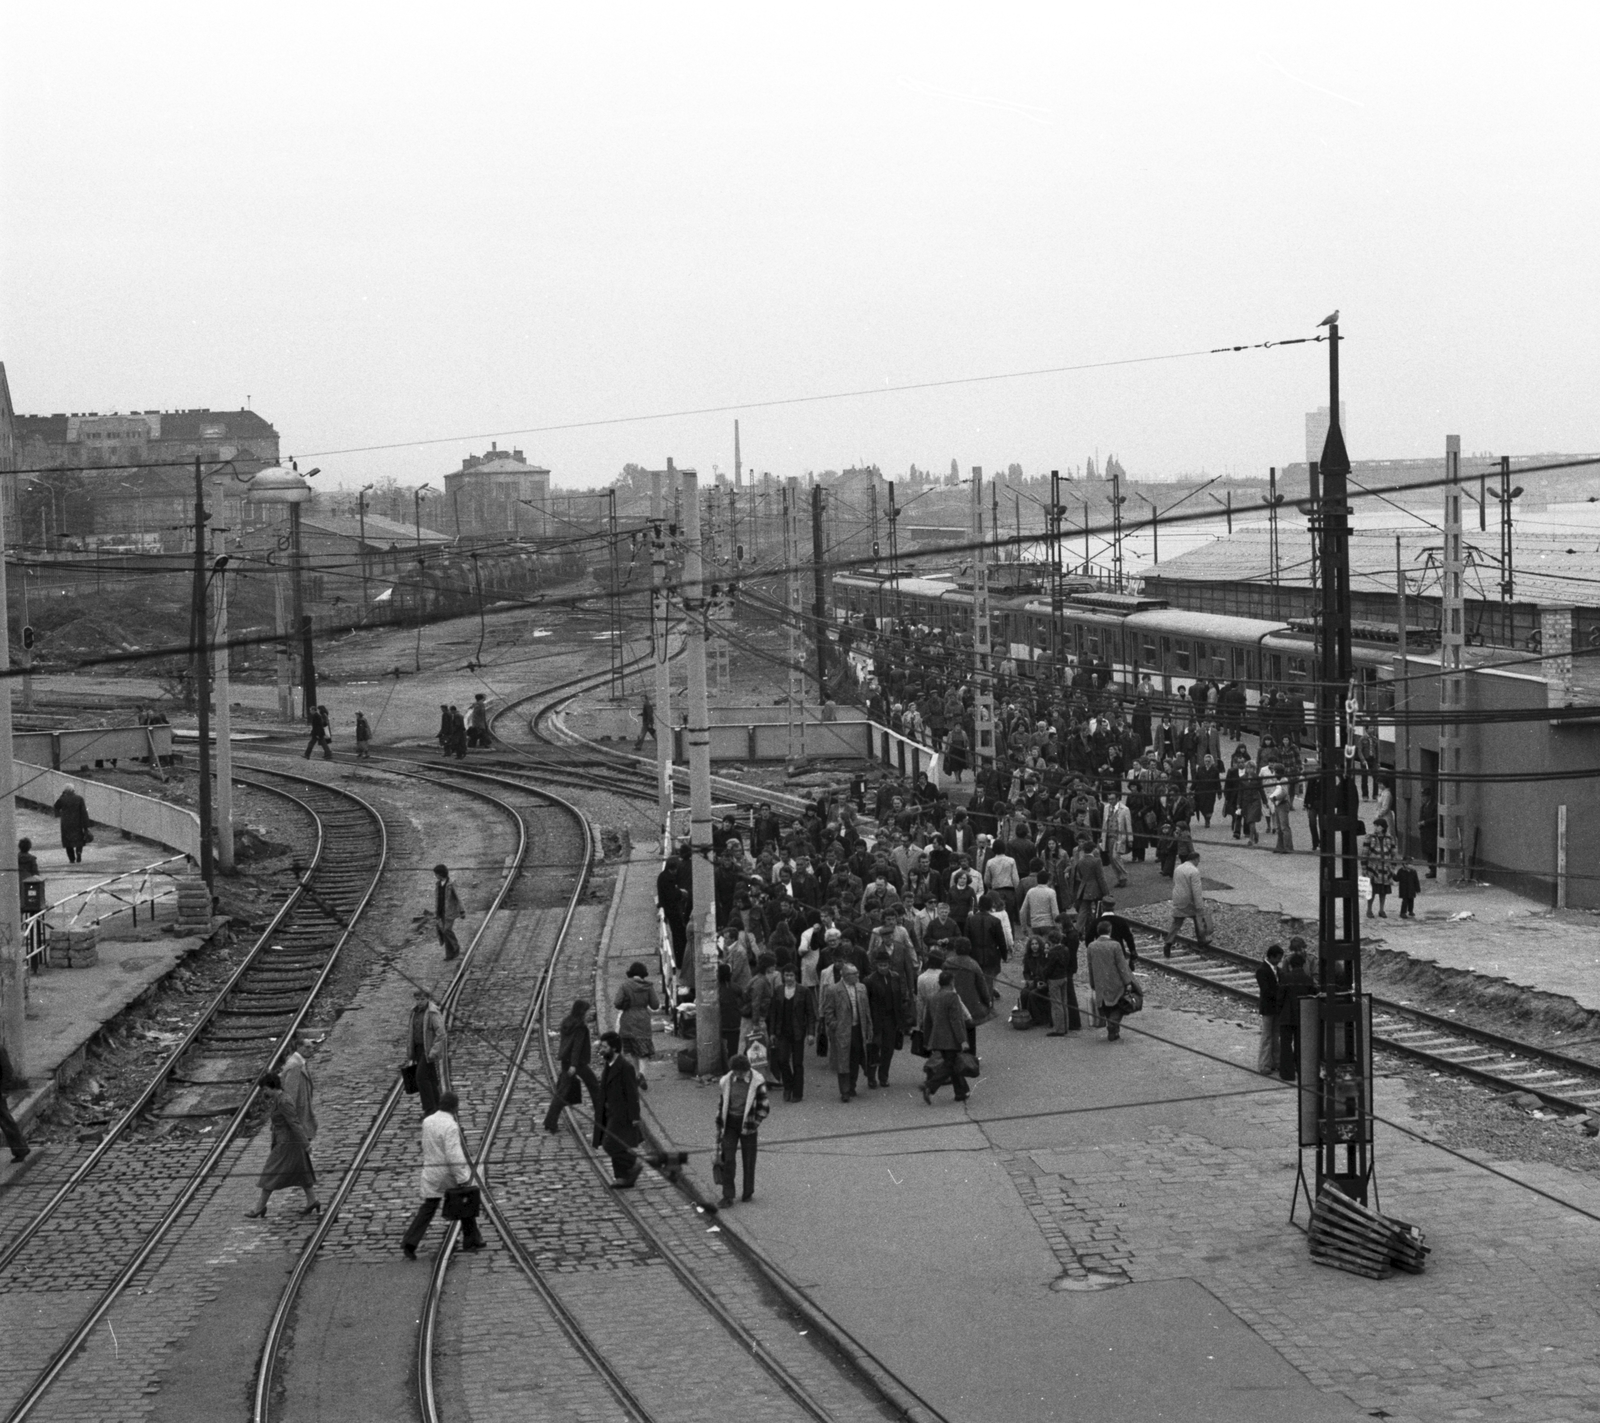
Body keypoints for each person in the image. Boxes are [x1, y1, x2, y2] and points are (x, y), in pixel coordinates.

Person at [401, 1090, 485, 1255]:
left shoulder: (428, 1121)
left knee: (428, 1207)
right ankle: (471, 1239)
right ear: (455, 1108)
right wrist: (462, 1176)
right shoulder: (451, 1126)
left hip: (430, 1171)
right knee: (466, 1201)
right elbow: (453, 1153)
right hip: (447, 1173)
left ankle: (410, 1241)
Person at [245, 1072, 319, 1218]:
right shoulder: (279, 1099)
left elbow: (294, 1123)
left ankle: (260, 1207)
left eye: (265, 1089)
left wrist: (305, 1144)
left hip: (287, 1144)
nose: (264, 1092)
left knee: (270, 1172)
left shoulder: (284, 1101)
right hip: (287, 1141)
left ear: (272, 1087)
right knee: (301, 1172)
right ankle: (313, 1200)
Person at [715, 1052, 770, 1206]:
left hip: (748, 1125)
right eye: (735, 1072)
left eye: (740, 1072)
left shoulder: (757, 1082)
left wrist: (754, 1123)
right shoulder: (727, 1081)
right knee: (728, 1159)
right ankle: (728, 1196)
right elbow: (722, 1103)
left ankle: (747, 1192)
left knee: (749, 1160)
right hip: (730, 1124)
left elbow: (764, 1107)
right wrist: (719, 1124)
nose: (737, 1075)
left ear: (746, 1070)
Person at [594, 1031, 643, 1187]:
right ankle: (622, 1177)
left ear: (614, 1048)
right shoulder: (609, 1064)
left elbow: (632, 1093)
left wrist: (635, 1116)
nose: (600, 1050)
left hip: (622, 1114)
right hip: (610, 1112)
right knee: (618, 1144)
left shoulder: (625, 1067)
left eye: (604, 1047)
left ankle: (632, 1163)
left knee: (610, 1144)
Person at [544, 999, 599, 1132]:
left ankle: (550, 1121)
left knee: (562, 1092)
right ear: (582, 1012)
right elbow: (577, 1046)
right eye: (587, 1011)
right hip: (577, 1063)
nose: (588, 1013)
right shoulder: (580, 1027)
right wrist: (574, 1065)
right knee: (594, 1086)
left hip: (566, 1061)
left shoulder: (567, 1022)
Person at [821, 961, 873, 1101]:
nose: (857, 976)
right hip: (843, 1031)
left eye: (857, 973)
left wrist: (868, 1028)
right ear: (844, 975)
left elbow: (866, 1010)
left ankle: (852, 1086)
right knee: (844, 1060)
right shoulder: (833, 990)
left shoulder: (861, 988)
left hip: (858, 1029)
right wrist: (834, 1025)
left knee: (855, 1059)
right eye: (853, 974)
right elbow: (828, 1011)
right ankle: (844, 1091)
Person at [919, 969, 971, 1104]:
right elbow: (956, 1020)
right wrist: (963, 1040)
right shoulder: (952, 997)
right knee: (950, 1064)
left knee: (952, 1064)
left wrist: (927, 1040)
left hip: (937, 1038)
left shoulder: (932, 998)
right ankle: (929, 1086)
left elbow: (927, 1021)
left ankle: (961, 1092)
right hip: (951, 1038)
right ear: (951, 982)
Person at [864, 949, 911, 1089]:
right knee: (874, 1049)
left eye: (885, 965)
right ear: (876, 965)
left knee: (888, 1050)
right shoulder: (869, 980)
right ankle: (871, 1078)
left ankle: (883, 1077)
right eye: (880, 965)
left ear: (889, 964)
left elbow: (900, 997)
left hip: (891, 1019)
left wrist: (901, 1020)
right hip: (876, 1020)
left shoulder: (895, 977)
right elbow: (867, 1002)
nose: (883, 968)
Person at [769, 967, 816, 1102]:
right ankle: (788, 1086)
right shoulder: (778, 991)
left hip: (798, 1032)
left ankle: (797, 1093)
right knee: (782, 1060)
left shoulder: (803, 991)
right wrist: (772, 1032)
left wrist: (811, 1033)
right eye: (786, 975)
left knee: (797, 1063)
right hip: (782, 1032)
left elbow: (810, 1014)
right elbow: (773, 1013)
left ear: (796, 976)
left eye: (791, 975)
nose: (789, 978)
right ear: (783, 976)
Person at [1087, 920, 1135, 1042]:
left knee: (1106, 1005)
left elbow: (1090, 966)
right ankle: (1112, 1026)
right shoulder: (1115, 945)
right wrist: (1128, 982)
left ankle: (1114, 1031)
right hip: (1115, 981)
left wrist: (1092, 982)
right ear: (1110, 931)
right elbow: (1122, 966)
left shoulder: (1091, 946)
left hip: (1100, 982)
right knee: (1118, 1006)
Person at [1276, 948, 1315, 1082]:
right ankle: (1301, 1071)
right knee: (1300, 1044)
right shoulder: (1308, 980)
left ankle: (1287, 1074)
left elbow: (1280, 998)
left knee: (1286, 1045)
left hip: (1286, 1016)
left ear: (1291, 965)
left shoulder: (1285, 978)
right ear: (1303, 964)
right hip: (1302, 1017)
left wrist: (1279, 1011)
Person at [408, 986, 448, 1115]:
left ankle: (430, 1109)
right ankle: (438, 1107)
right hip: (419, 1050)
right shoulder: (414, 1012)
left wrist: (434, 1051)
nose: (420, 1002)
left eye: (422, 999)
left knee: (420, 1078)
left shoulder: (432, 1012)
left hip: (428, 1050)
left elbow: (441, 1033)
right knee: (430, 1079)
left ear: (428, 999)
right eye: (417, 999)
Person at [1163, 849, 1209, 956]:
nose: (1198, 863)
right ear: (1195, 859)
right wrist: (1199, 905)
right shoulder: (1194, 871)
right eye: (1198, 860)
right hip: (1189, 900)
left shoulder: (1178, 868)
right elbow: (1196, 890)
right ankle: (1202, 942)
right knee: (1198, 919)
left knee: (1177, 923)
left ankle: (1168, 943)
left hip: (1178, 898)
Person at [614, 961, 660, 1061]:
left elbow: (617, 1003)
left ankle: (636, 1074)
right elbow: (655, 1005)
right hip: (643, 1021)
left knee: (633, 1053)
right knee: (643, 1052)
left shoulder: (624, 986)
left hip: (628, 1021)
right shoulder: (648, 987)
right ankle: (642, 1074)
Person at [279, 1034, 317, 1148]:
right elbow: (290, 1094)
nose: (311, 1050)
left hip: (301, 1114)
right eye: (307, 1047)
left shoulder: (299, 1063)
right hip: (298, 1116)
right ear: (299, 1047)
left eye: (312, 1047)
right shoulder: (295, 1066)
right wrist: (292, 1119)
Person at [1255, 944, 1284, 1075]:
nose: (1279, 961)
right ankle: (1264, 1065)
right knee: (1267, 1037)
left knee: (1275, 1036)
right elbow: (1266, 990)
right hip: (1268, 1008)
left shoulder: (1276, 970)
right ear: (1271, 957)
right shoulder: (1262, 970)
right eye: (1278, 958)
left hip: (1275, 1008)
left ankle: (1275, 1062)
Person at [1043, 933, 1079, 1037]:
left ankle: (1059, 1029)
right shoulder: (1065, 949)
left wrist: (1044, 976)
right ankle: (1065, 1027)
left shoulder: (1052, 952)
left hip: (1054, 979)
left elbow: (1049, 967)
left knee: (1056, 1004)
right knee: (1064, 1003)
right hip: (1064, 977)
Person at [1364, 819, 1398, 918]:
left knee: (1383, 891)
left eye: (1378, 826)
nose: (1376, 828)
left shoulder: (1389, 838)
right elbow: (1364, 853)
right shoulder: (1369, 837)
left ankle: (1381, 910)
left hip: (1385, 869)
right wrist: (1364, 868)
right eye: (1375, 826)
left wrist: (1393, 867)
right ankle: (1369, 909)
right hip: (1373, 869)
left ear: (1383, 827)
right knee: (1372, 890)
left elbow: (1393, 853)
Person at [433, 863, 465, 960]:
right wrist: (436, 912)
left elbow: (458, 897)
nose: (435, 876)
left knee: (447, 930)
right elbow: (437, 898)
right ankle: (449, 955)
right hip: (440, 911)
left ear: (440, 874)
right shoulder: (438, 884)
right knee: (444, 932)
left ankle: (456, 947)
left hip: (449, 912)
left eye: (436, 874)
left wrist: (462, 910)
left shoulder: (451, 884)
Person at [54, 783, 91, 864]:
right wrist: (86, 825)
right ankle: (79, 853)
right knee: (79, 839)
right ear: (73, 790)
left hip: (66, 823)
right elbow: (84, 812)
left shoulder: (62, 799)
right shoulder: (79, 798)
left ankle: (71, 858)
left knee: (68, 841)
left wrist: (62, 796)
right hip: (77, 822)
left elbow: (56, 806)